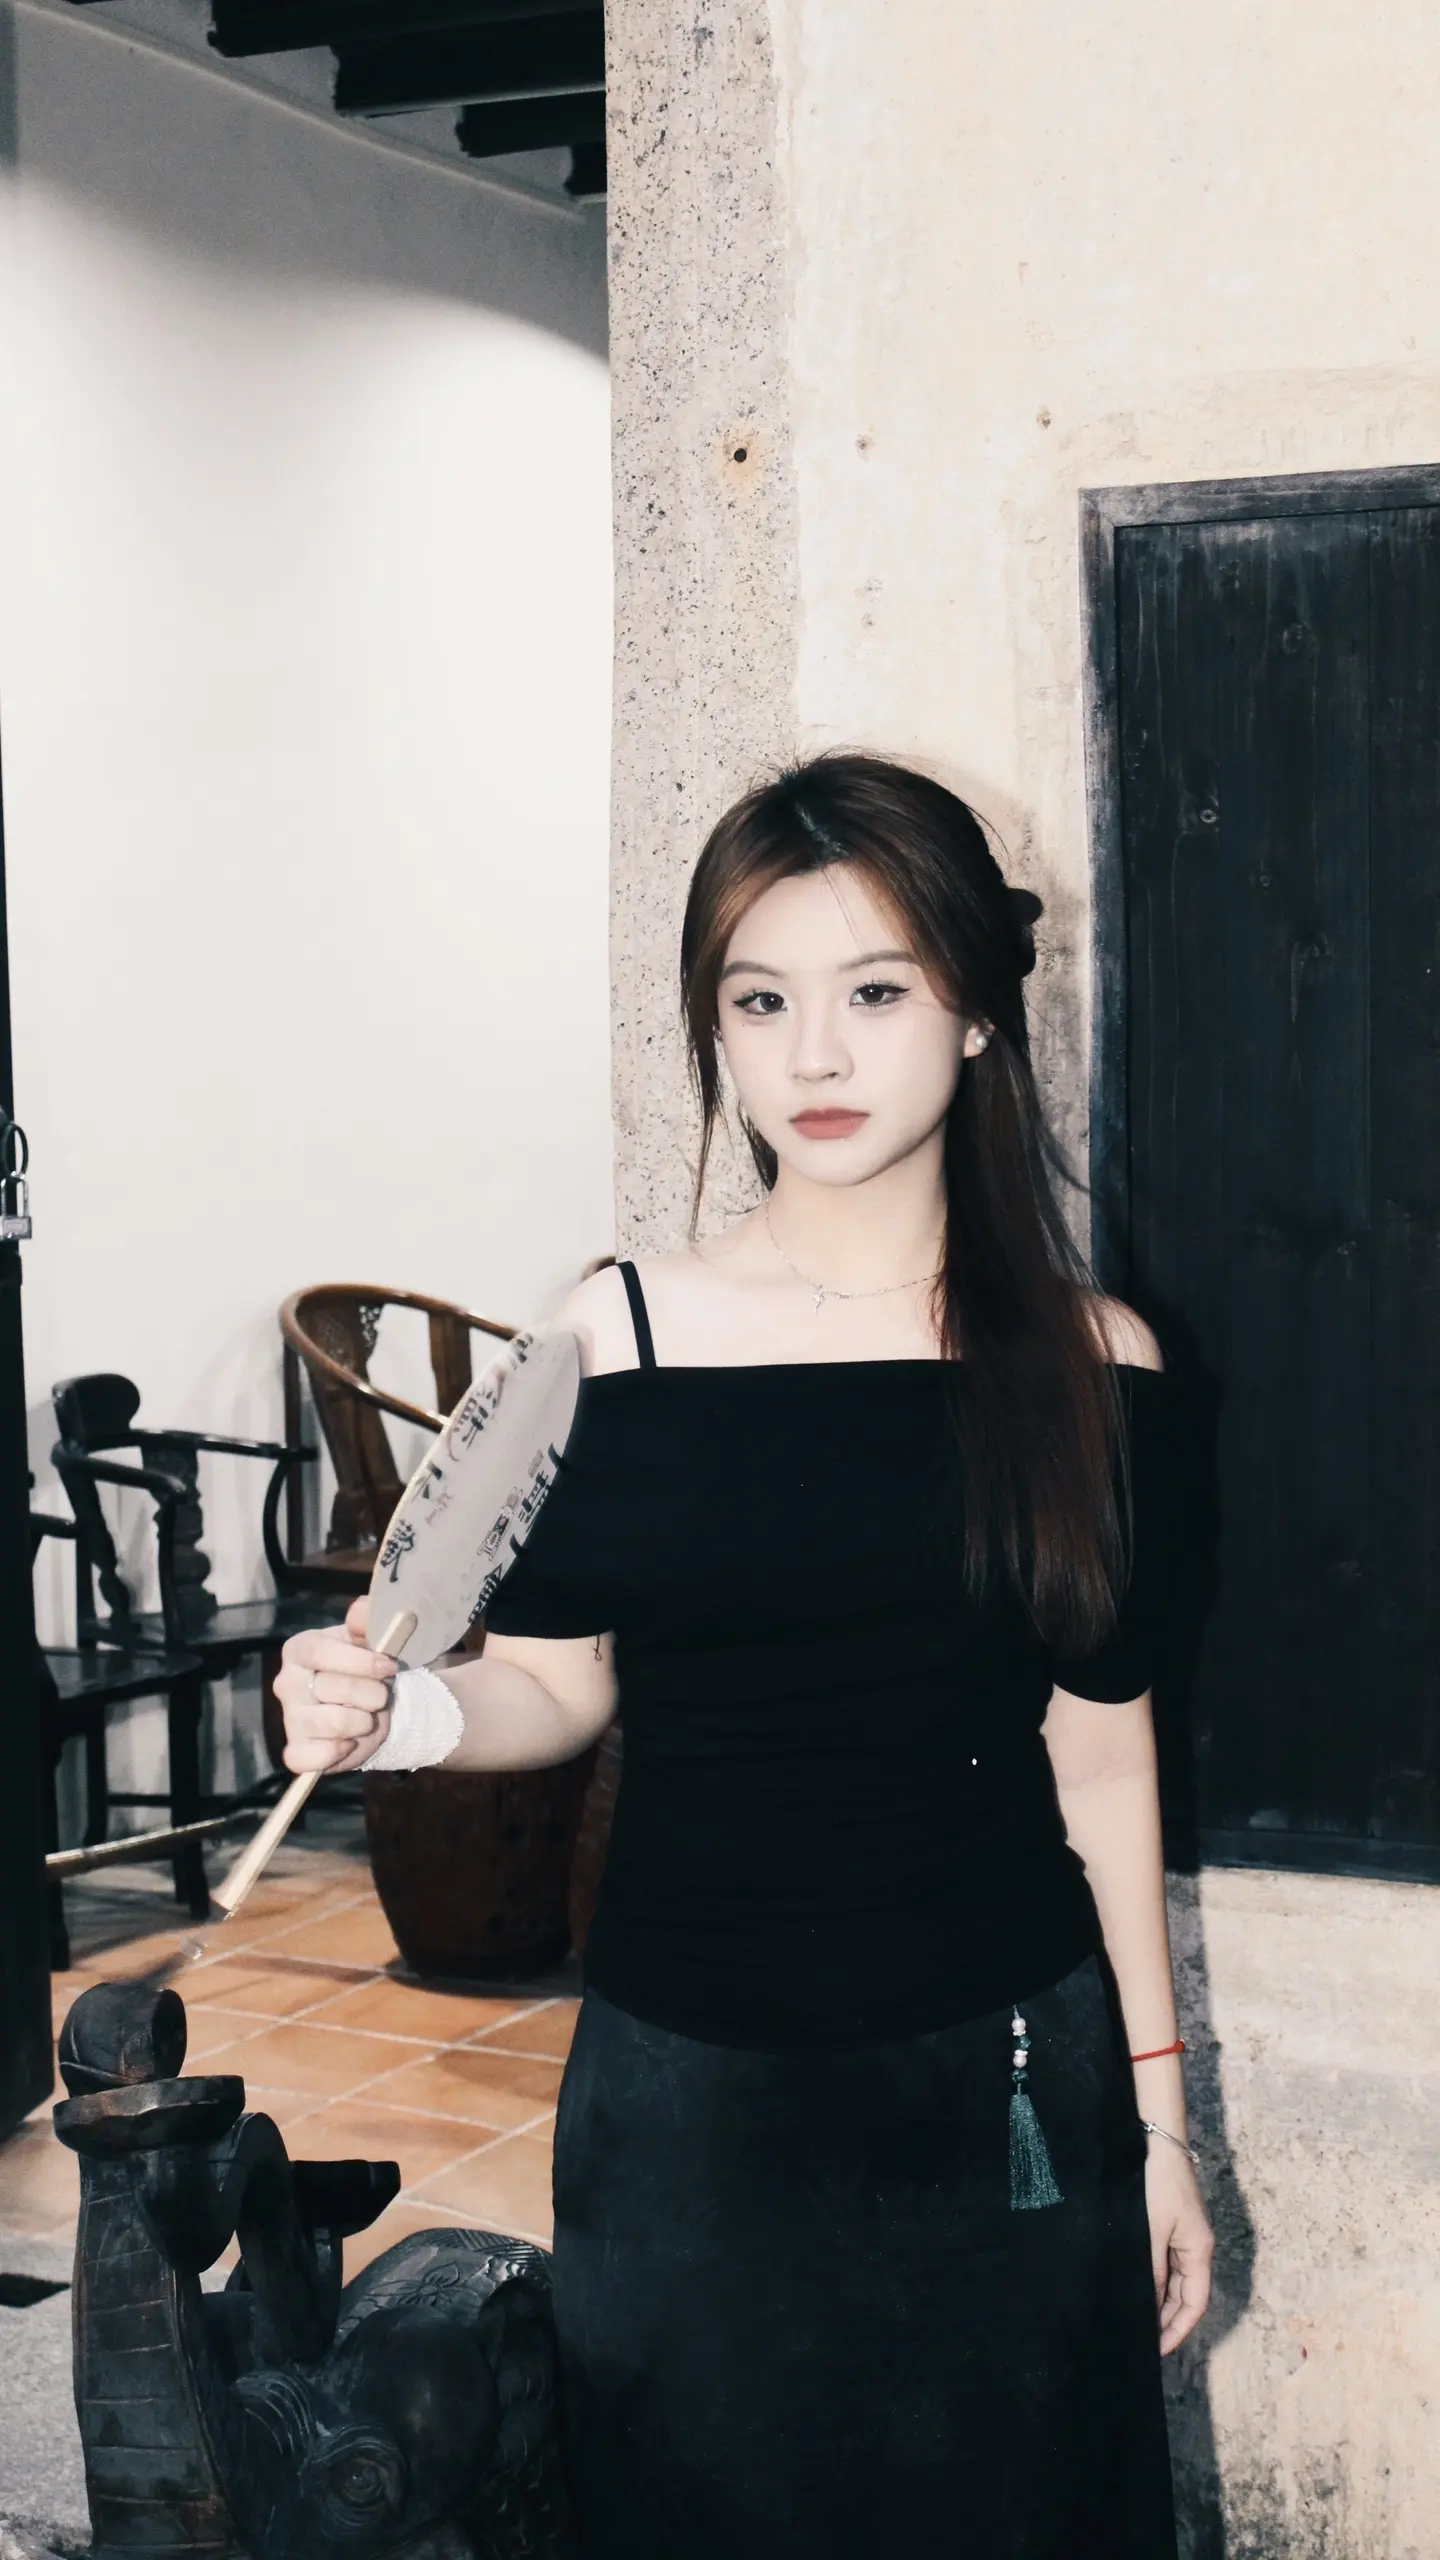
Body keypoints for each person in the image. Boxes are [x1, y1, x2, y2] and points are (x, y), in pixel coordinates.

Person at [276, 752, 1212, 2559]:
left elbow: (1105, 1762)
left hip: (1007, 2088)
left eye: (876, 993)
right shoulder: (618, 1338)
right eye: (761, 1002)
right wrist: (401, 1717)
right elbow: (558, 1684)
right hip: (692, 2109)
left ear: (977, 1015)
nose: (816, 1056)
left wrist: (1166, 2133)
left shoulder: (1100, 1367)